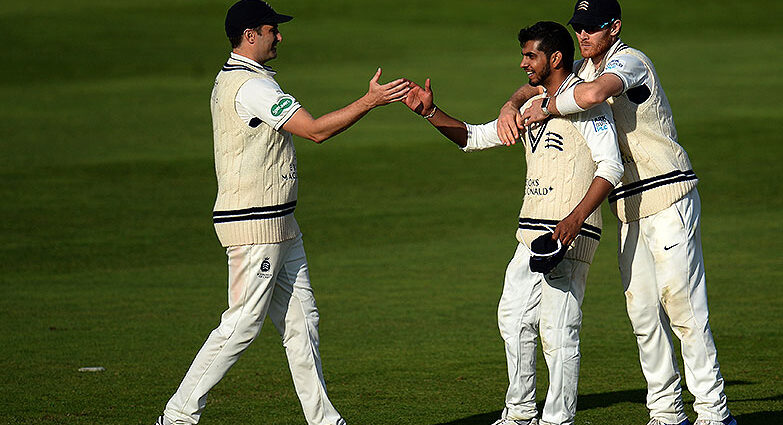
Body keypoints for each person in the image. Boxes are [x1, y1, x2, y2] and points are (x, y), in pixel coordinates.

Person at [154, 1, 409, 424]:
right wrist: (369, 101)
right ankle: (178, 416)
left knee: (302, 324)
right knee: (241, 325)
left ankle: (325, 420)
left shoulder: (247, 79)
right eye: (273, 29)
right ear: (251, 34)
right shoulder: (252, 87)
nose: (280, 36)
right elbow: (315, 130)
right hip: (256, 226)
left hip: (280, 224)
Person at [497, 2, 737, 425]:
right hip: (628, 205)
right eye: (579, 28)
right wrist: (510, 106)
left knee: (683, 308)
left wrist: (548, 107)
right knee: (643, 312)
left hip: (668, 193)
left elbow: (588, 96)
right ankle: (666, 413)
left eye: (592, 28)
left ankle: (714, 414)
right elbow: (537, 89)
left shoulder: (630, 61)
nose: (583, 35)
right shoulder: (586, 69)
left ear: (615, 27)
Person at [403, 21, 623, 425]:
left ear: (554, 58)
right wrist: (431, 112)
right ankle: (520, 413)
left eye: (530, 55)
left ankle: (558, 419)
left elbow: (611, 166)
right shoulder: (529, 107)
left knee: (558, 330)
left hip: (569, 234)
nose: (522, 63)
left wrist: (575, 220)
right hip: (531, 235)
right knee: (513, 317)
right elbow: (474, 137)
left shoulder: (586, 105)